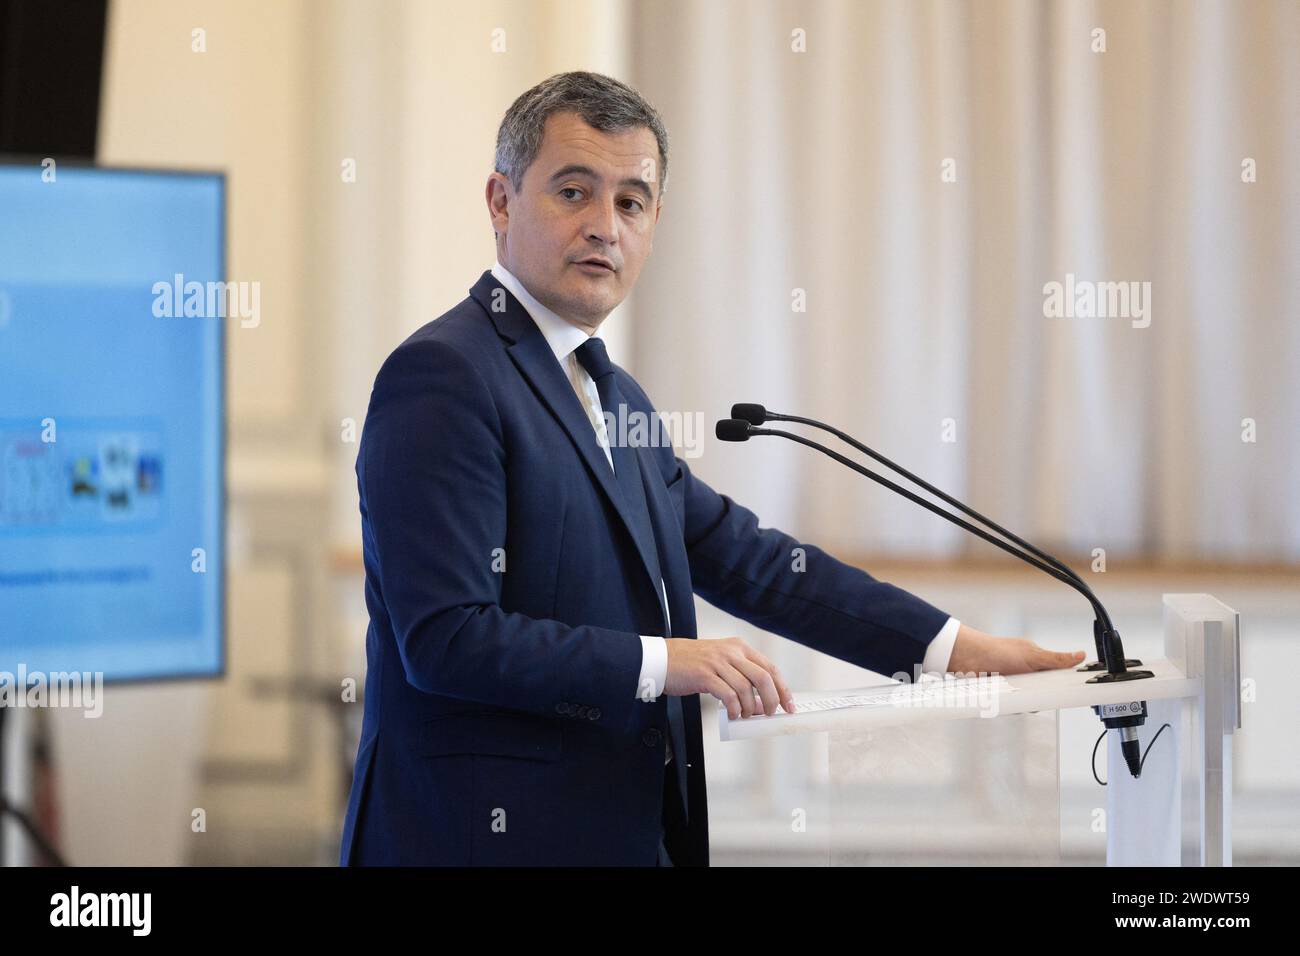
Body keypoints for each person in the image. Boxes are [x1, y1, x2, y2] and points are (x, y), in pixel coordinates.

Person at [339, 70, 1084, 867]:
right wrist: (665, 662)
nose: (605, 226)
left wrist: (953, 648)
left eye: (631, 201)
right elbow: (447, 639)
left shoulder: (613, 392)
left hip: (621, 831)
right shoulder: (445, 374)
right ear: (500, 201)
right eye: (573, 192)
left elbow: (755, 564)